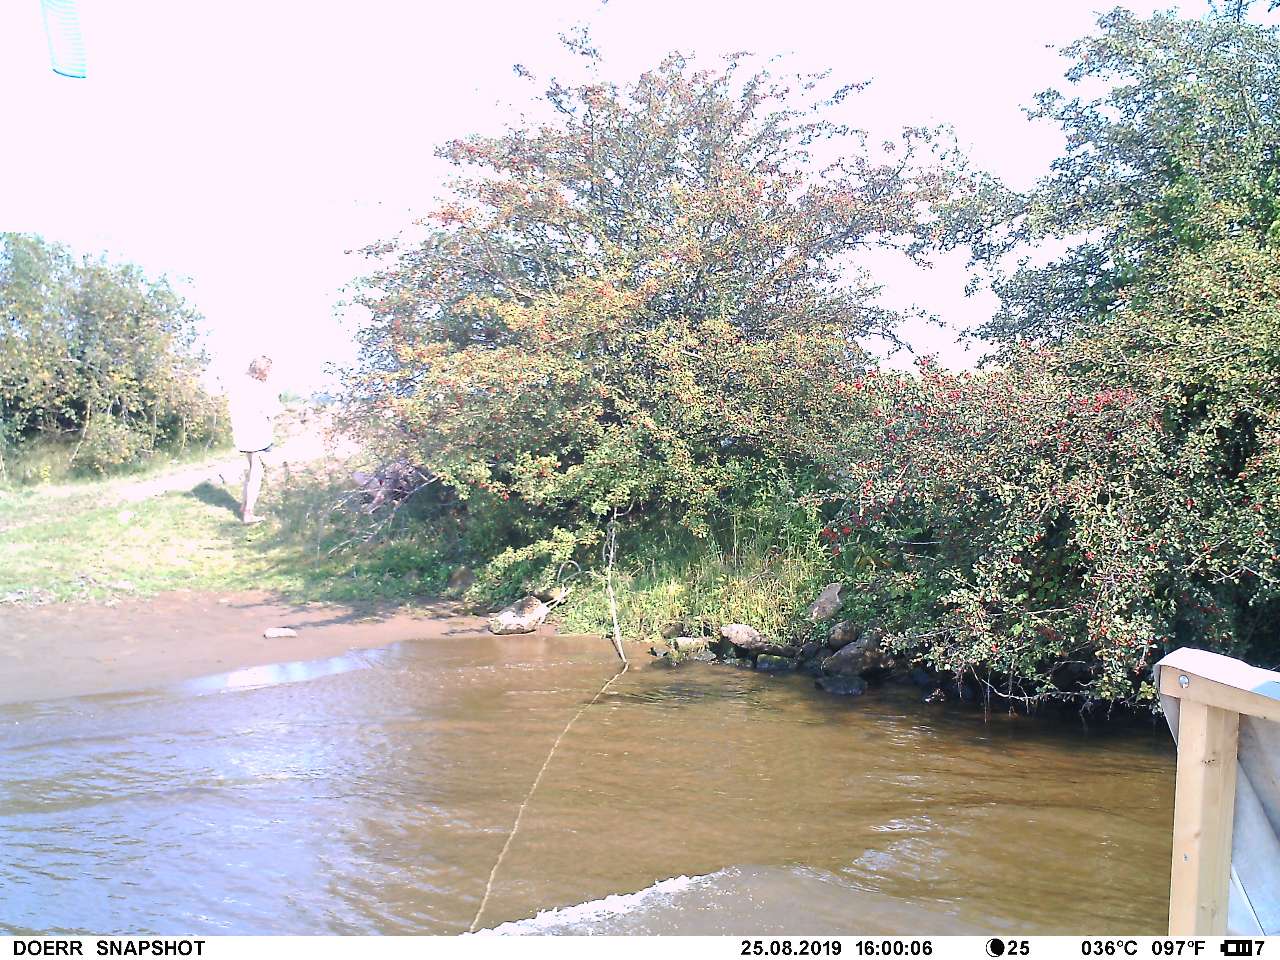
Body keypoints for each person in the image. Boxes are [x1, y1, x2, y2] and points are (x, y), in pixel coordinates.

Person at [227, 355, 282, 524]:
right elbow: (272, 410)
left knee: (252, 469)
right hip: (257, 434)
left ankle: (244, 505)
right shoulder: (261, 388)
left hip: (243, 433)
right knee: (256, 472)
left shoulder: (240, 384)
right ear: (263, 370)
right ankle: (248, 513)